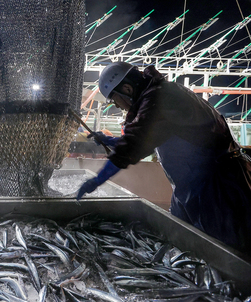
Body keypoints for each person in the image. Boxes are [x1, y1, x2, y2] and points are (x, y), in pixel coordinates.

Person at [77, 61, 251, 253]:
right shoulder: (158, 93)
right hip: (189, 189)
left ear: (127, 88)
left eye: (114, 100)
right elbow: (149, 139)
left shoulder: (159, 99)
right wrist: (111, 141)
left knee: (225, 252)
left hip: (216, 188)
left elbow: (136, 143)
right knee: (181, 246)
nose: (118, 107)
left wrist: (97, 180)